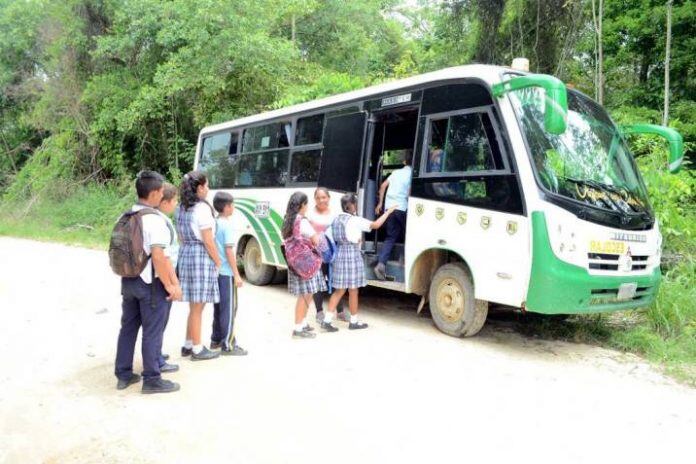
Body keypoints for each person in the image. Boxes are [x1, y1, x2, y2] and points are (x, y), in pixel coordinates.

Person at [114, 170, 182, 394]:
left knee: (128, 328)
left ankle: (123, 373)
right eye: (161, 191)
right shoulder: (154, 220)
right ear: (153, 194)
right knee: (152, 331)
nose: (162, 195)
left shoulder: (126, 216)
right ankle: (152, 379)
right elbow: (160, 258)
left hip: (128, 281)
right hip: (150, 285)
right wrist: (171, 285)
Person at [323, 193, 396, 331]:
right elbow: (376, 225)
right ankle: (354, 322)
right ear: (350, 205)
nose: (356, 206)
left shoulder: (336, 219)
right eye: (355, 203)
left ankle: (327, 321)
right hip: (352, 255)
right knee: (353, 290)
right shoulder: (355, 220)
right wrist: (388, 212)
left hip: (340, 254)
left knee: (339, 291)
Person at [177, 171, 222, 361]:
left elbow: (180, 236)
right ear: (200, 188)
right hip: (200, 256)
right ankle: (197, 348)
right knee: (198, 306)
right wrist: (218, 261)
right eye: (207, 185)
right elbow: (208, 241)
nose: (208, 189)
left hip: (186, 253)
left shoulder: (181, 207)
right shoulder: (202, 208)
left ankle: (188, 344)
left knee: (193, 305)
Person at [282, 191, 325, 339]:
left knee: (306, 294)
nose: (307, 207)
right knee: (305, 296)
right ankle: (298, 329)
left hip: (296, 263)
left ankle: (303, 323)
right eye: (306, 204)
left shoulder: (288, 219)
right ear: (302, 205)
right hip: (306, 263)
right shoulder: (302, 221)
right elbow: (315, 240)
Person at [211, 191, 247, 356]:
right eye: (232, 205)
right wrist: (237, 274)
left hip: (216, 271)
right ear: (226, 207)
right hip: (226, 272)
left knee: (219, 307)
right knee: (229, 308)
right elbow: (229, 251)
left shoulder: (215, 223)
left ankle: (216, 339)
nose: (233, 208)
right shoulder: (227, 225)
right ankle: (228, 344)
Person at [307, 187, 347, 324]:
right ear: (315, 199)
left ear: (328, 198)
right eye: (318, 198)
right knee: (318, 283)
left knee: (337, 281)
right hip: (315, 254)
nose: (321, 200)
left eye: (323, 197)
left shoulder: (335, 214)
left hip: (333, 254)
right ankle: (319, 312)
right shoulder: (310, 214)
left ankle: (340, 311)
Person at [374, 150, 412, 280]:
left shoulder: (395, 172)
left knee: (390, 237)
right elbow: (409, 194)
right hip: (402, 208)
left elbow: (383, 186)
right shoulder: (412, 174)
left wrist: (380, 203)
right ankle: (404, 258)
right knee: (410, 234)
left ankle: (381, 264)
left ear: (404, 162)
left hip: (389, 208)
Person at [155, 182, 181, 373]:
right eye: (175, 200)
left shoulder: (156, 218)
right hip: (162, 278)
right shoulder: (161, 222)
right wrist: (172, 283)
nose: (176, 204)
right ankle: (156, 359)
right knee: (159, 320)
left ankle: (156, 352)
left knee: (159, 320)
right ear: (165, 202)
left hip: (158, 276)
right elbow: (165, 258)